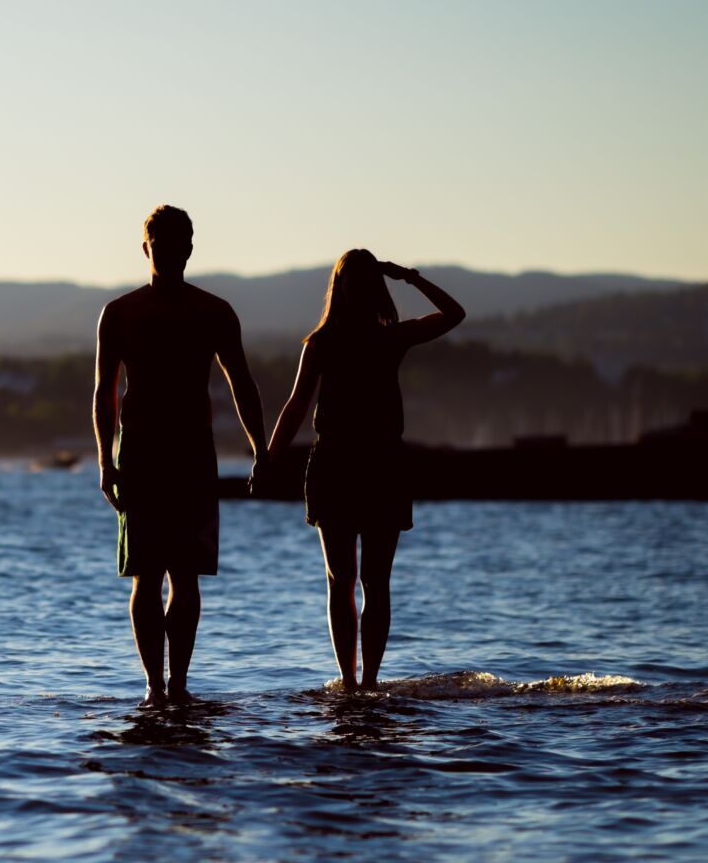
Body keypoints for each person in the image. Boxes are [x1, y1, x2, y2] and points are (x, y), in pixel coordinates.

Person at [265, 251, 464, 691]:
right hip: (357, 463)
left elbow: (455, 314)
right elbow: (296, 406)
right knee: (361, 582)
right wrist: (409, 278)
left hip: (361, 462)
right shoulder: (351, 341)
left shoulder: (364, 339)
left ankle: (359, 682)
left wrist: (268, 458)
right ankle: (359, 682)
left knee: (357, 582)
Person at [93, 205, 266, 709]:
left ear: (181, 249)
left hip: (176, 450)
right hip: (155, 450)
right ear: (152, 248)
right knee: (162, 575)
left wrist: (262, 450)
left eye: (173, 245)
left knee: (165, 575)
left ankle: (166, 687)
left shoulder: (204, 311)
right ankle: (163, 685)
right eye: (164, 245)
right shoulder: (129, 312)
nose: (168, 252)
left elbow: (243, 386)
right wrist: (106, 460)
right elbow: (104, 392)